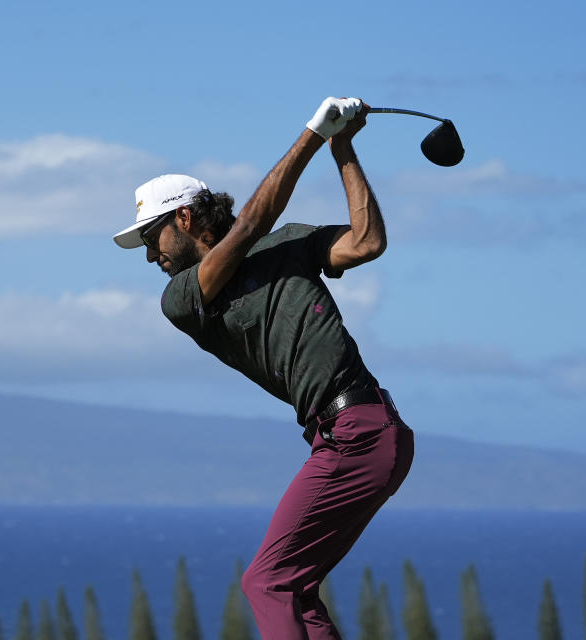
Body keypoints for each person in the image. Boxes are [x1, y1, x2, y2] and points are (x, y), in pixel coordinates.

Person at [113, 97, 414, 640]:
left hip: (359, 433)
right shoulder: (182, 298)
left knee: (267, 583)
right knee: (289, 591)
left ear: (183, 218)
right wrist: (314, 134)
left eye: (152, 235)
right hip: (349, 436)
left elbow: (367, 242)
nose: (149, 255)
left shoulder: (288, 243)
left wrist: (341, 146)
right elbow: (250, 225)